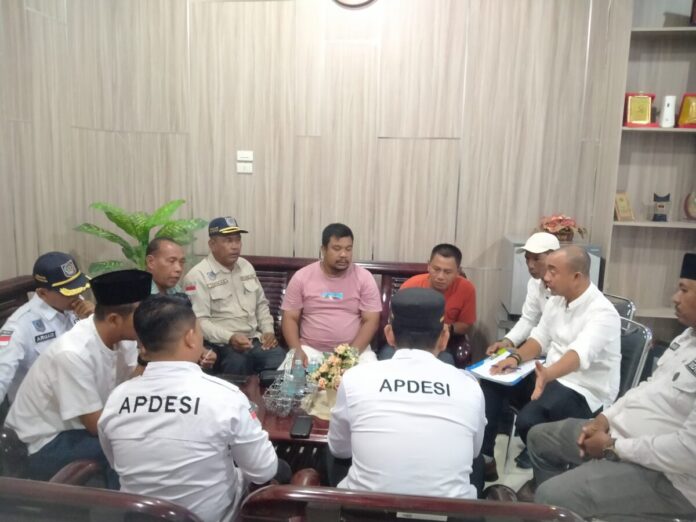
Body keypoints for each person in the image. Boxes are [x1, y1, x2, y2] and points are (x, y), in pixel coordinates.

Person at [527, 253, 696, 520]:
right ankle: (572, 509)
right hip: (619, 435)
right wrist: (605, 419)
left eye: (684, 290)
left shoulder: (600, 312)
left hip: (668, 478)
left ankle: (563, 505)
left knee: (550, 497)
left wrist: (613, 447)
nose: (675, 297)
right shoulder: (686, 338)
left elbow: (687, 453)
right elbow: (647, 387)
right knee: (539, 437)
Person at [99, 295, 287, 522]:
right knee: (280, 469)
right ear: (190, 338)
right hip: (209, 517)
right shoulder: (225, 397)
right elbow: (263, 470)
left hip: (139, 515)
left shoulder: (117, 399)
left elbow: (115, 462)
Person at [327, 287, 486, 499]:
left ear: (389, 335)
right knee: (476, 460)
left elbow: (339, 450)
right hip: (448, 512)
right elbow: (474, 451)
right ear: (444, 337)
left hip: (363, 510)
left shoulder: (356, 378)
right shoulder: (469, 386)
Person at [480, 245, 620, 480]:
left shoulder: (602, 313)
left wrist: (547, 375)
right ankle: (486, 459)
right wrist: (514, 358)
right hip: (549, 376)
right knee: (493, 381)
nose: (545, 277)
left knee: (529, 421)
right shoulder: (557, 301)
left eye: (553, 271)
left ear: (576, 277)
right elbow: (539, 338)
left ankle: (548, 480)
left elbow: (577, 355)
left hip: (582, 389)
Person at [5, 269, 152, 487]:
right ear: (114, 319)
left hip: (84, 425)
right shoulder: (73, 353)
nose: (147, 322)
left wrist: (144, 358)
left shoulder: (126, 336)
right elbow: (96, 426)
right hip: (43, 441)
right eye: (141, 316)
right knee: (126, 447)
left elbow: (133, 386)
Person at [183, 217, 284, 375]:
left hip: (254, 339)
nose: (235, 246)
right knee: (238, 363)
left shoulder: (246, 266)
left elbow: (261, 304)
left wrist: (268, 331)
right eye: (228, 241)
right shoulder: (197, 276)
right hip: (222, 344)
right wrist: (230, 337)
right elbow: (200, 322)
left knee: (281, 360)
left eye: (238, 240)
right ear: (212, 244)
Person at [281, 223, 382, 366]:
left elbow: (371, 321)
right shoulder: (302, 277)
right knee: (288, 377)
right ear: (323, 250)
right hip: (310, 350)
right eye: (337, 248)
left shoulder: (364, 278)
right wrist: (296, 350)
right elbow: (290, 317)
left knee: (371, 378)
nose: (343, 254)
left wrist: (350, 355)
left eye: (348, 249)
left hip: (355, 351)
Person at [0, 252, 94, 405]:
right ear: (42, 293)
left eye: (77, 288)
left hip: (80, 395)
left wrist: (95, 321)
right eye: (69, 291)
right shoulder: (18, 327)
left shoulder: (76, 306)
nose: (78, 294)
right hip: (41, 410)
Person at [379, 243, 476, 365]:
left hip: (439, 345)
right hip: (404, 344)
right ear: (429, 266)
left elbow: (465, 325)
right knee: (387, 358)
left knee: (446, 362)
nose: (440, 276)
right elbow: (394, 321)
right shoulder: (411, 285)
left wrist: (447, 328)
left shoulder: (466, 289)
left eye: (447, 272)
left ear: (458, 271)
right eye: (436, 269)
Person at [486, 232, 560, 355]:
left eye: (536, 259)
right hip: (542, 351)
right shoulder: (534, 283)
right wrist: (507, 341)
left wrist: (524, 353)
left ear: (554, 257)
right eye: (527, 258)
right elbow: (529, 319)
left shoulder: (566, 288)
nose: (530, 265)